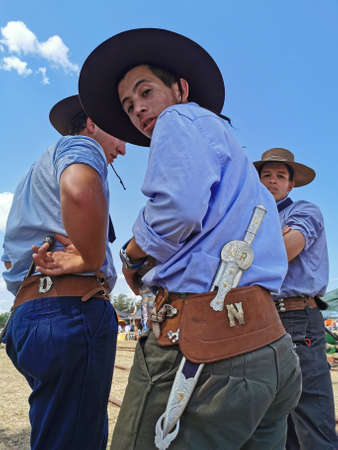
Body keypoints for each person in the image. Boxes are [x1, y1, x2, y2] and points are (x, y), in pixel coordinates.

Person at [65, 29, 300, 449]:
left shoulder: (180, 117)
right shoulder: (241, 166)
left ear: (180, 89)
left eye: (146, 91)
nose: (138, 109)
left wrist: (133, 256)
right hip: (270, 350)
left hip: (204, 349)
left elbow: (177, 208)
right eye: (128, 105)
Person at [1, 95, 126, 450]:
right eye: (118, 134)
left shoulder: (35, 171)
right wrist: (90, 258)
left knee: (59, 431)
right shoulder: (80, 146)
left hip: (33, 312)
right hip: (68, 310)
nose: (122, 148)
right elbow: (80, 190)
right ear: (93, 124)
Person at [254, 147, 338, 450]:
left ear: (291, 184)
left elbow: (287, 250)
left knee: (310, 413)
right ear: (257, 182)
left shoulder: (304, 210)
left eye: (280, 176)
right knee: (277, 411)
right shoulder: (252, 220)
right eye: (266, 175)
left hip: (297, 316)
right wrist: (276, 239)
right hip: (264, 317)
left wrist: (247, 252)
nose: (272, 181)